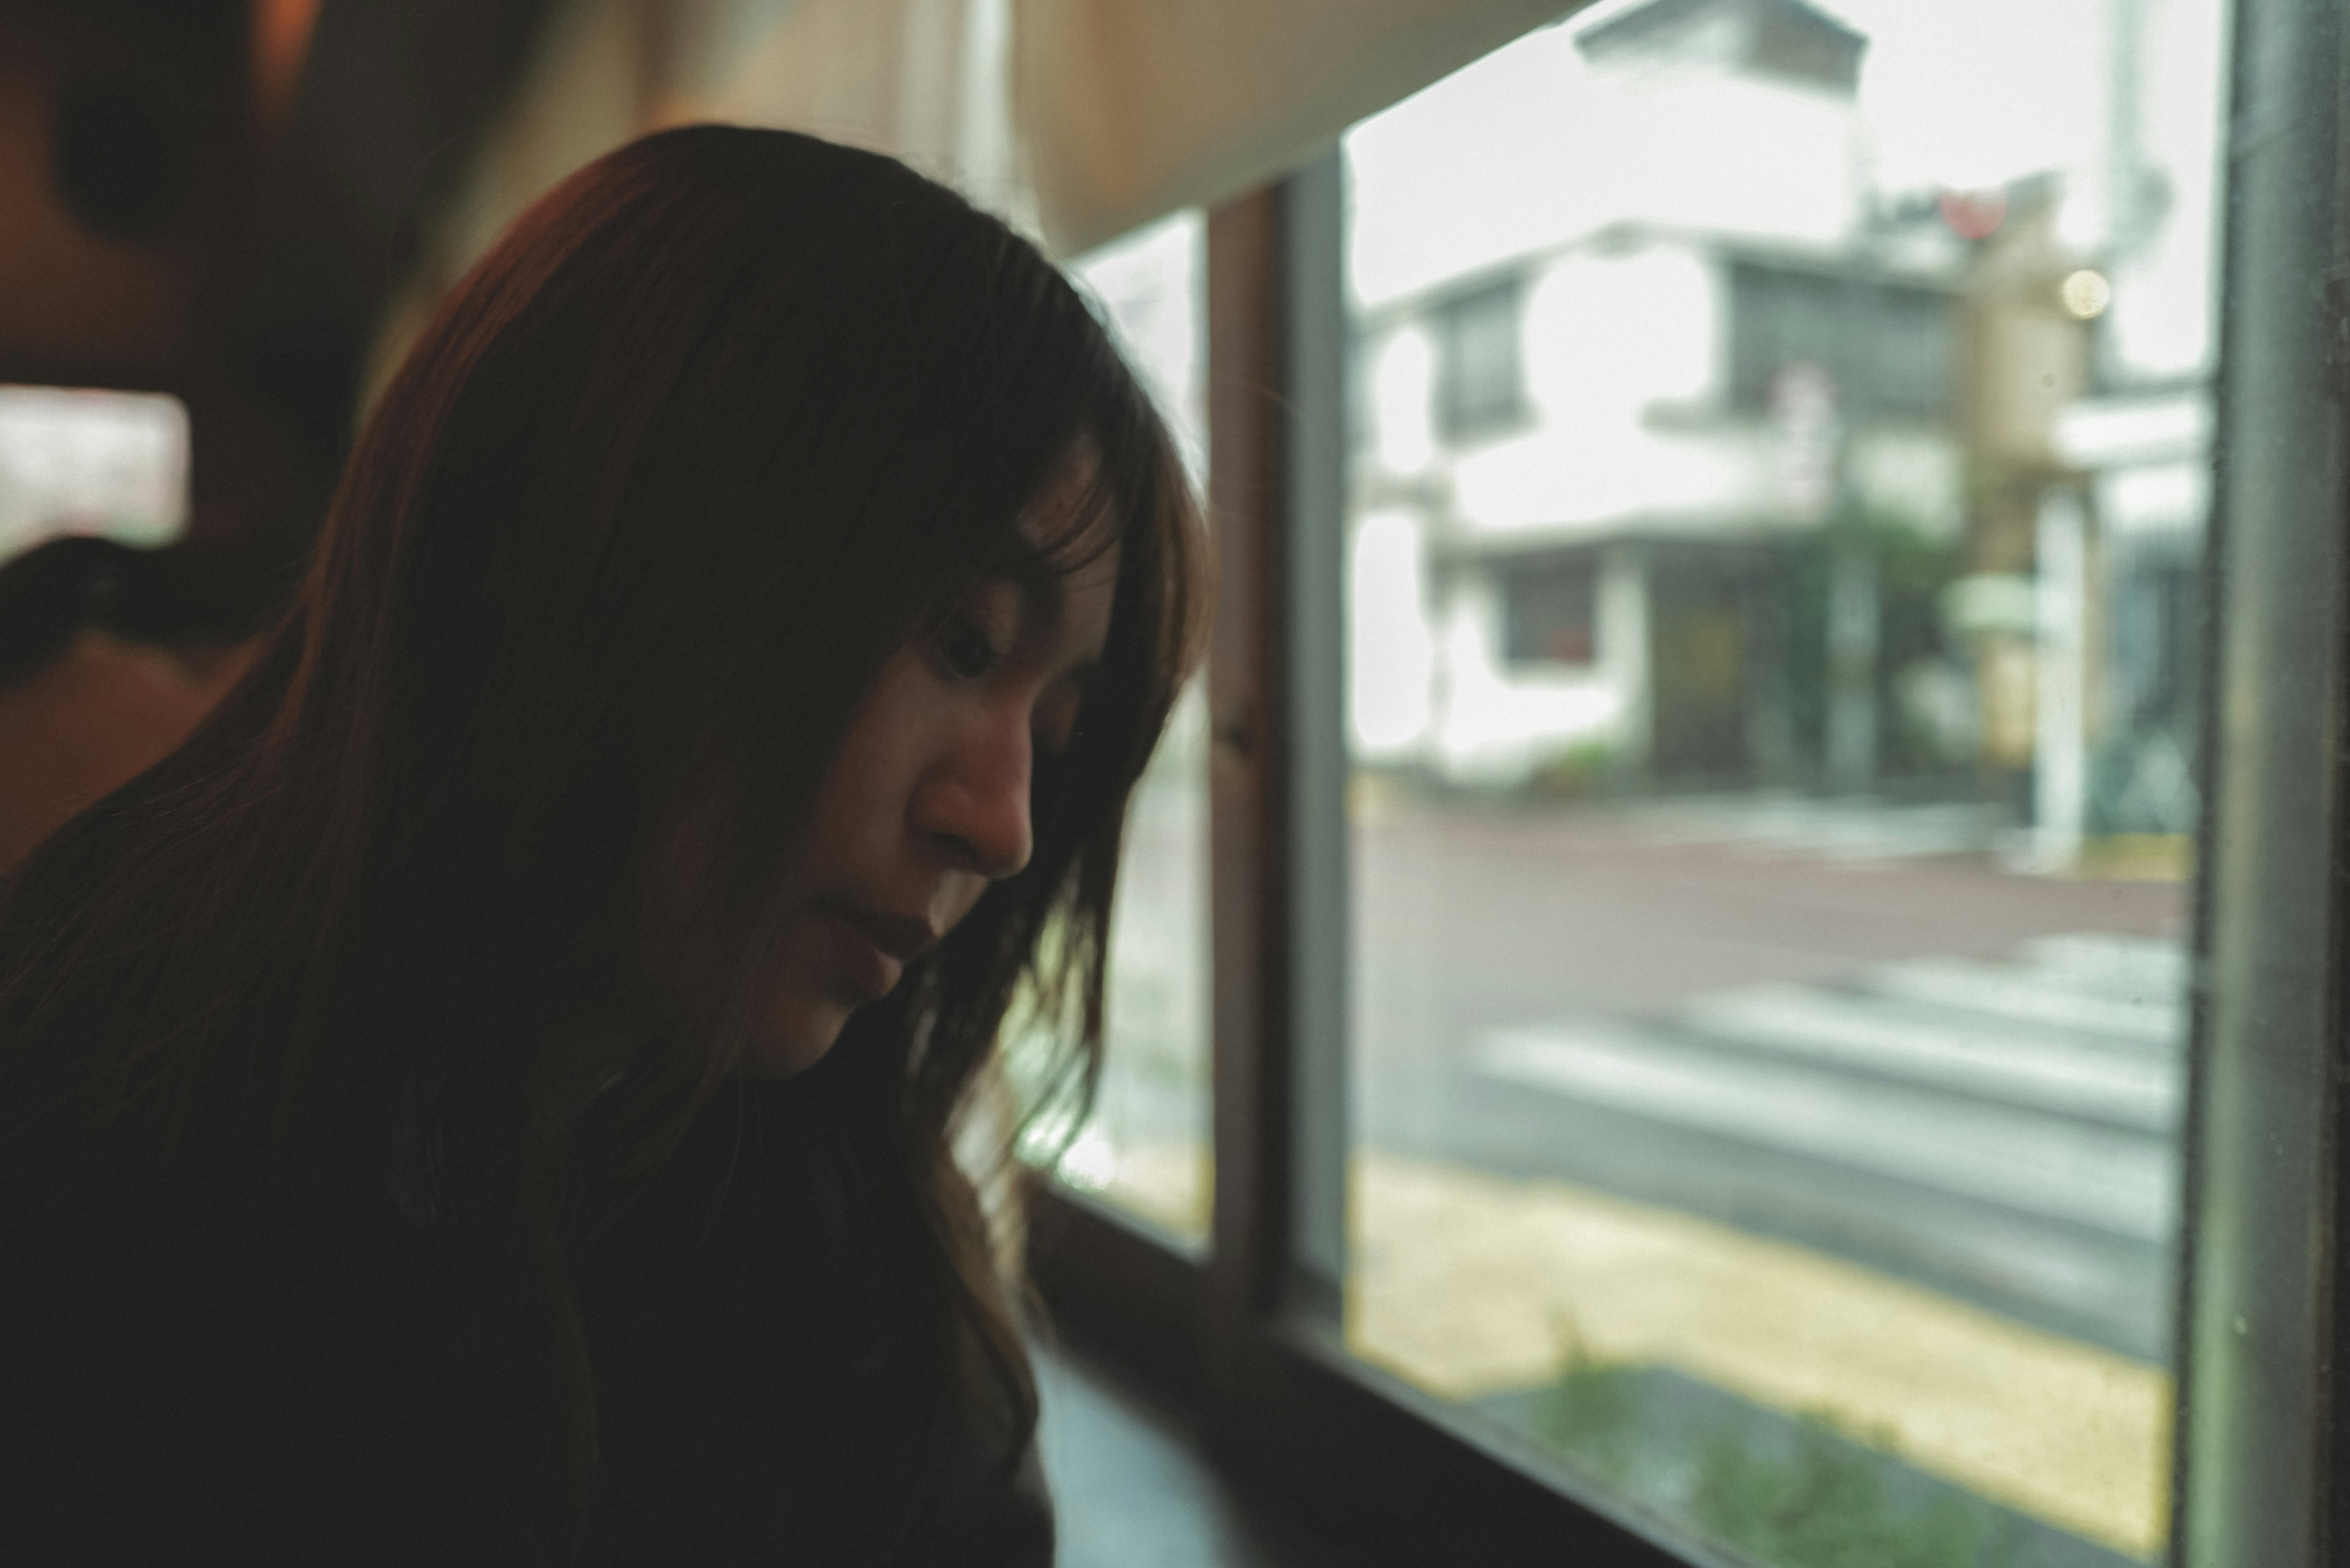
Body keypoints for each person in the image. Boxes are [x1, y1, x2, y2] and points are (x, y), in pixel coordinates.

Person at [0, 125, 1206, 1565]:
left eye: (1056, 736)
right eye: (961, 641)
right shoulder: (88, 1149)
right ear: (624, 534)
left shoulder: (853, 1248)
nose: (1003, 825)